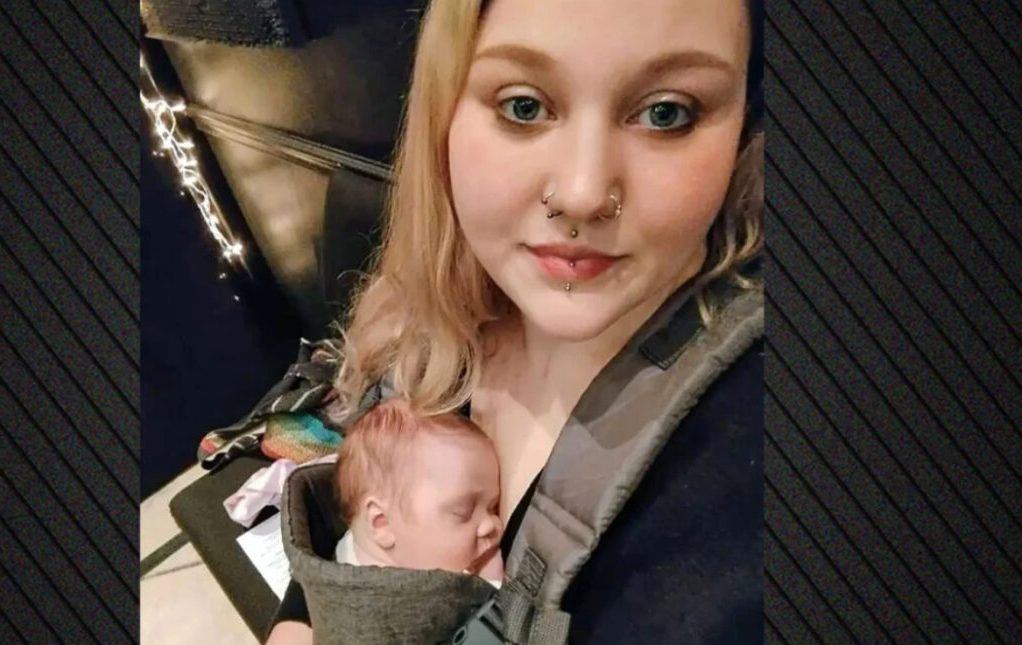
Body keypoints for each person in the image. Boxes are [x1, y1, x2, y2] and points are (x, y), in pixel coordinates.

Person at [268, 0, 763, 641]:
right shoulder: (422, 319)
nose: (583, 193)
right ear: (445, 115)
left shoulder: (741, 471)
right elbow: (361, 529)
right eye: (524, 106)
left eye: (667, 112)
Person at [332, 398, 505, 585]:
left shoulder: (360, 547)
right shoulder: (405, 597)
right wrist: (491, 578)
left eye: (493, 508)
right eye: (463, 513)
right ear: (381, 523)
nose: (489, 525)